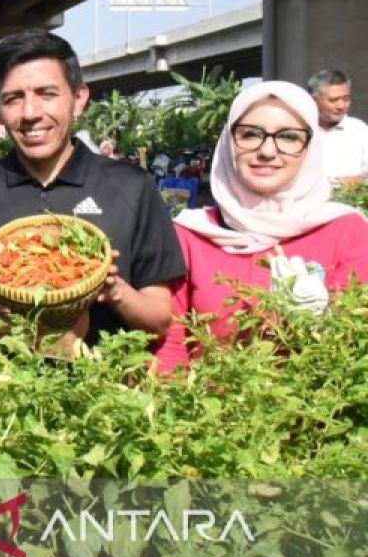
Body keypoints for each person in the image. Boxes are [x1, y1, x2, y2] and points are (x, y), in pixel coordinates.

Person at [0, 30, 185, 348]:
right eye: (13, 98)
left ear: (78, 99)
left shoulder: (133, 188)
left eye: (47, 94)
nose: (31, 113)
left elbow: (160, 319)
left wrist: (113, 289)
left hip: (103, 392)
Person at [153, 81, 368, 372]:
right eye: (250, 134)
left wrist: (318, 318)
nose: (267, 150)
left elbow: (355, 348)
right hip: (207, 414)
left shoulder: (347, 231)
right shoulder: (190, 234)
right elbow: (171, 346)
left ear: (310, 147)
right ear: (229, 142)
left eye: (289, 137)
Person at [308, 69, 368, 182]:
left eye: (346, 99)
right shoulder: (301, 129)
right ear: (314, 100)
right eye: (333, 100)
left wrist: (356, 181)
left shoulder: (360, 130)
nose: (341, 106)